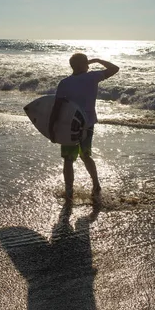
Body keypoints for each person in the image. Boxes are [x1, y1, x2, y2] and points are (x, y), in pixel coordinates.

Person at [49, 53, 119, 202]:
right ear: (82, 64)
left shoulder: (64, 83)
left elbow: (57, 107)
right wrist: (98, 60)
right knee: (86, 156)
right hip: (87, 125)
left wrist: (51, 126)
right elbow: (114, 68)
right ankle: (96, 185)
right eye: (86, 62)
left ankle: (69, 192)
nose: (88, 65)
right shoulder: (92, 77)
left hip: (69, 125)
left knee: (68, 159)